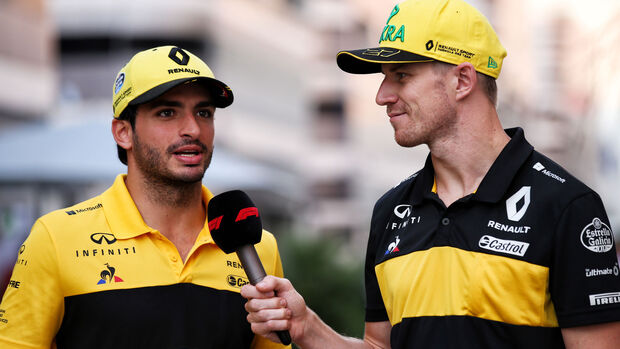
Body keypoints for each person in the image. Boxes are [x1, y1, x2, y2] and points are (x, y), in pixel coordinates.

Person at [240, 0, 620, 348]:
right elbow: (380, 346)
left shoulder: (568, 206)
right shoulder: (391, 211)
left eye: (401, 76)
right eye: (384, 77)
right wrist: (308, 326)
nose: (382, 95)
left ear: (462, 81)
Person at [0, 45, 289, 349]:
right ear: (123, 132)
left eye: (203, 113)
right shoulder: (55, 238)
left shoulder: (257, 247)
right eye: (167, 112)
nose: (192, 129)